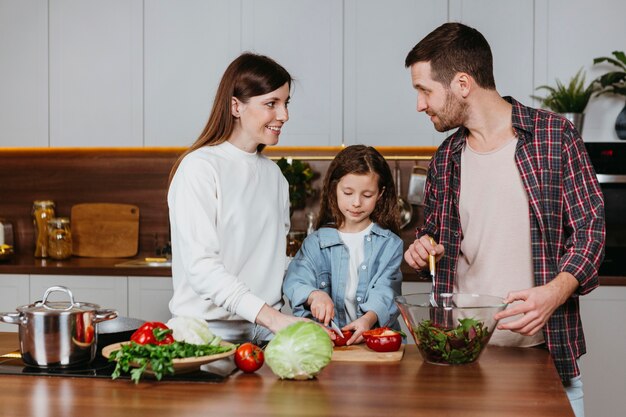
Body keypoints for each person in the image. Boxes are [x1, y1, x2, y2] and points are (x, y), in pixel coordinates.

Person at [402, 23, 604, 417]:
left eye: (424, 90)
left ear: (462, 83)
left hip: (543, 357)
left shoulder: (554, 136)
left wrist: (556, 291)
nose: (420, 105)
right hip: (462, 359)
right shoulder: (446, 158)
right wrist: (422, 247)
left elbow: (590, 230)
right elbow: (434, 238)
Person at [167, 52, 304, 344]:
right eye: (271, 104)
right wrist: (271, 317)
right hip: (207, 334)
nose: (284, 115)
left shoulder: (275, 177)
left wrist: (313, 288)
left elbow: (272, 261)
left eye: (285, 103)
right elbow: (201, 268)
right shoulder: (200, 168)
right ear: (236, 106)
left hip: (266, 332)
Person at [283, 145, 404, 345]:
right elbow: (295, 281)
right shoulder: (316, 243)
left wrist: (368, 319)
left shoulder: (389, 244)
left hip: (375, 343)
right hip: (325, 342)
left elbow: (386, 291)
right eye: (348, 192)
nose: (356, 202)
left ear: (380, 194)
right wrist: (315, 295)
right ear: (334, 189)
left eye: (367, 195)